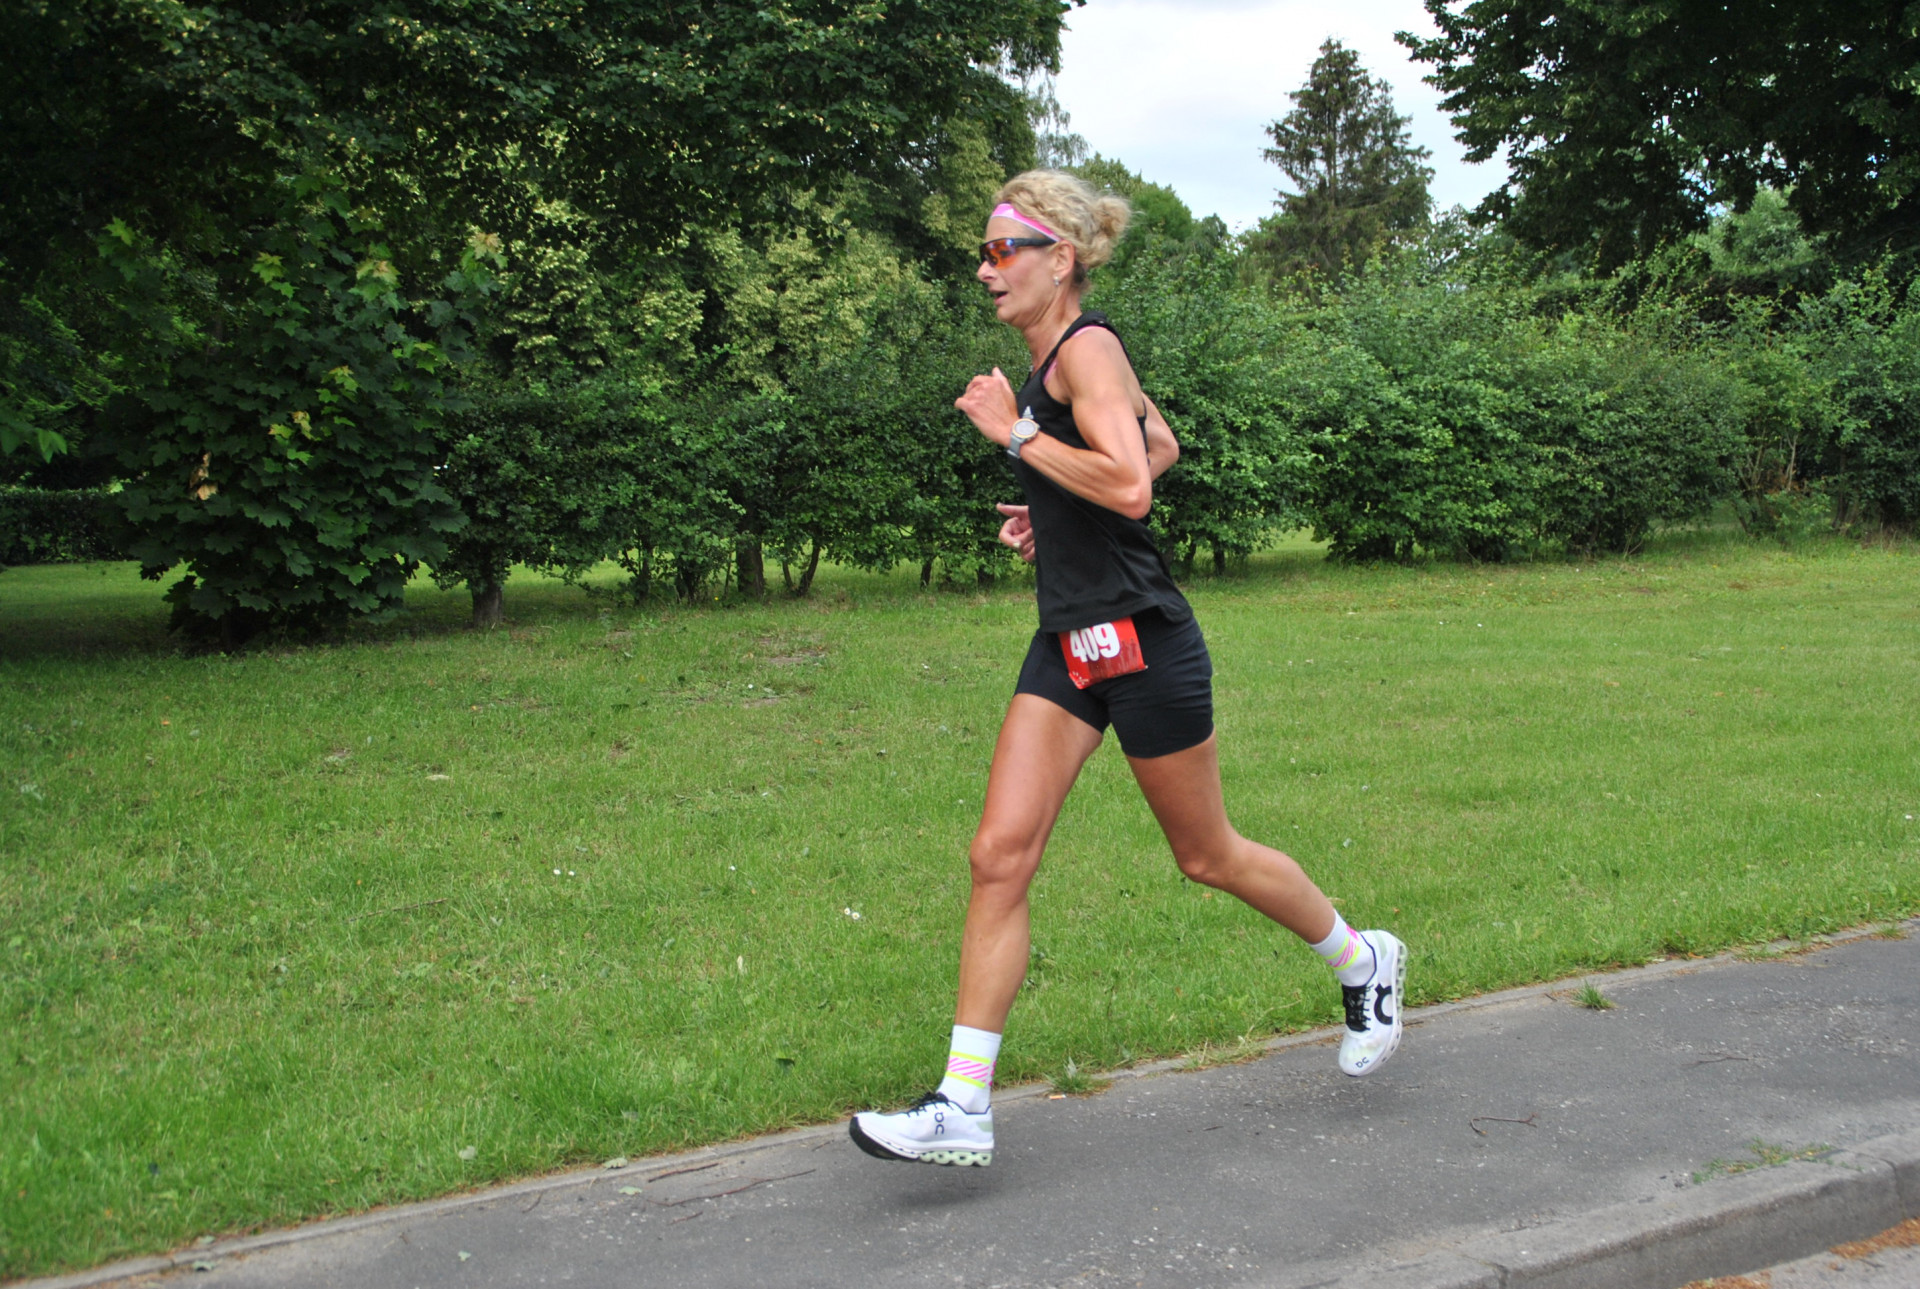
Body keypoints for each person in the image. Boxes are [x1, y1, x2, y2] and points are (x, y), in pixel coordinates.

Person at [849, 170, 1406, 1169]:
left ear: (1059, 258)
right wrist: (1055, 509)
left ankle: (1363, 958)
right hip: (1069, 640)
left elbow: (1134, 484)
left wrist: (1018, 437)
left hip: (1142, 638)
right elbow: (1159, 444)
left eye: (1001, 251)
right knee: (999, 854)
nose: (985, 270)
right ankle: (962, 1103)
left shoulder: (1087, 349)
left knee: (1208, 854)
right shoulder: (1057, 360)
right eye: (983, 253)